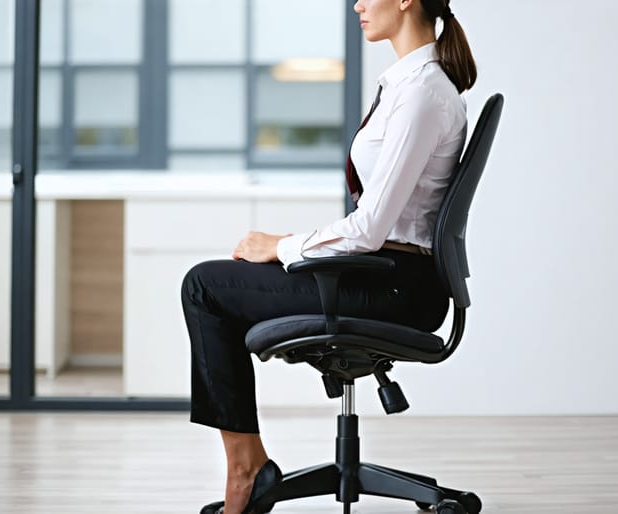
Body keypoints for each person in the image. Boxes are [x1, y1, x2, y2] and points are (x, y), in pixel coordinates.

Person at [181, 1, 476, 512]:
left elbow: (368, 229)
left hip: (394, 286)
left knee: (205, 286)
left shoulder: (424, 93)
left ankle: (246, 472)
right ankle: (250, 467)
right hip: (382, 274)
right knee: (220, 285)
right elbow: (372, 228)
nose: (358, 3)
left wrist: (280, 246)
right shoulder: (408, 85)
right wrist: (288, 249)